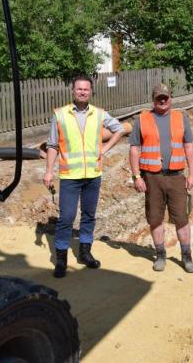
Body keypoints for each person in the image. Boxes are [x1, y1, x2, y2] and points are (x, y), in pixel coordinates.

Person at [43, 75, 126, 278]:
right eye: (79, 89)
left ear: (91, 92)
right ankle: (61, 258)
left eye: (86, 89)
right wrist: (48, 170)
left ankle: (85, 252)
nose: (82, 92)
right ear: (73, 91)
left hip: (93, 175)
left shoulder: (99, 114)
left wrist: (106, 147)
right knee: (67, 217)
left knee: (89, 215)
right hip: (70, 175)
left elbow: (120, 128)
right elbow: (52, 145)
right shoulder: (60, 114)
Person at [129, 84, 193, 273]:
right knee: (155, 219)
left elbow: (189, 147)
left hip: (176, 177)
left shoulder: (180, 117)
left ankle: (187, 256)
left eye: (165, 97)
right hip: (152, 177)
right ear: (153, 99)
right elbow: (134, 149)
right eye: (159, 97)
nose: (162, 100)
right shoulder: (142, 120)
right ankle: (160, 255)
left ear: (170, 98)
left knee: (182, 219)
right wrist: (136, 176)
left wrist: (192, 174)